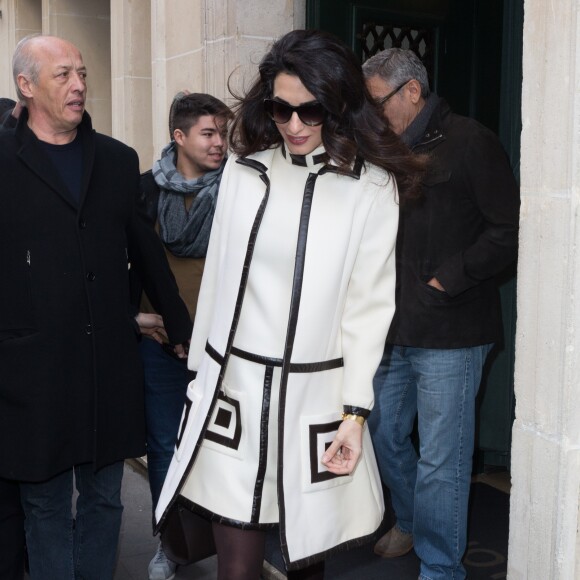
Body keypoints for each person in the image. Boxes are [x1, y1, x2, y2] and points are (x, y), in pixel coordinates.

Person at [154, 29, 424, 580]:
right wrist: (199, 378)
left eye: (311, 110)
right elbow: (218, 283)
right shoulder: (245, 171)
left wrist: (354, 413)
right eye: (281, 109)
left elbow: (368, 308)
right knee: (237, 569)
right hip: (236, 395)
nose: (294, 125)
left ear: (339, 105)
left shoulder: (371, 187)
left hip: (314, 402)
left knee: (306, 558)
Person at [0, 34, 191, 580]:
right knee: (46, 506)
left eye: (81, 73)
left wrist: (179, 325)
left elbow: (145, 250)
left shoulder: (115, 158)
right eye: (62, 74)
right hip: (31, 371)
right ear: (26, 85)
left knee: (107, 498)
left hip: (107, 362)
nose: (79, 84)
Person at [362, 48, 520, 580]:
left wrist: (446, 279)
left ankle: (440, 567)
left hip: (452, 329)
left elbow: (508, 230)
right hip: (392, 328)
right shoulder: (383, 150)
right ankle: (410, 519)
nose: (371, 115)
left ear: (412, 91)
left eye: (377, 102)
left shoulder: (471, 141)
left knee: (441, 460)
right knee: (382, 434)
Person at [136, 91, 232, 580]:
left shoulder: (239, 187)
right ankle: (169, 545)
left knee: (227, 451)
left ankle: (235, 547)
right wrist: (140, 318)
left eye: (223, 133)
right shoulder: (144, 190)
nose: (220, 144)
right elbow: (123, 264)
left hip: (225, 347)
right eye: (208, 133)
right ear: (179, 136)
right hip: (160, 345)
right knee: (165, 448)